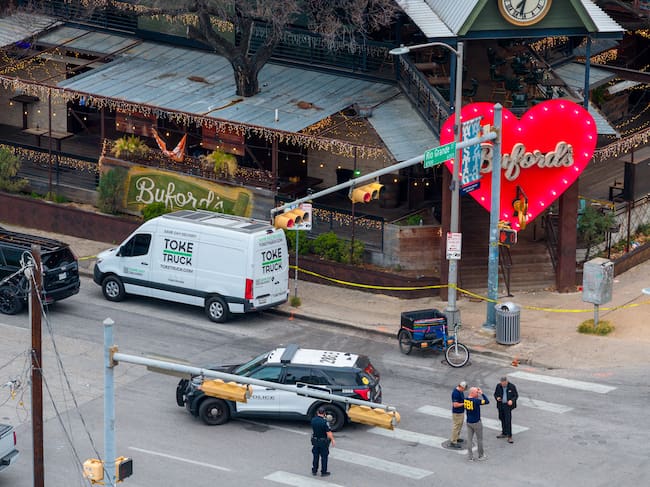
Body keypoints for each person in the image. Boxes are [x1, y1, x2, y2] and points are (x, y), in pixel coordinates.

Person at [464, 386, 489, 461]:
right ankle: (481, 455)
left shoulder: (465, 399)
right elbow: (487, 401)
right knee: (479, 439)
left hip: (469, 422)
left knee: (469, 439)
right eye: (476, 392)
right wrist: (482, 393)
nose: (478, 394)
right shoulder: (476, 401)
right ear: (472, 393)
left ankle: (470, 457)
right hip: (476, 422)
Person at [311, 407, 335, 476]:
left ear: (317, 412)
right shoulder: (325, 422)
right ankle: (323, 472)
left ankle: (314, 470)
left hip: (315, 441)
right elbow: (328, 433)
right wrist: (332, 440)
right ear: (324, 413)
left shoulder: (313, 420)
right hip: (323, 442)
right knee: (324, 457)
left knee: (315, 456)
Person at [494, 376, 518, 444]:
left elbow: (516, 395)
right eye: (502, 383)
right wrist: (497, 398)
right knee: (501, 418)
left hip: (508, 406)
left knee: (508, 420)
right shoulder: (498, 386)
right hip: (501, 405)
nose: (503, 384)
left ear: (507, 381)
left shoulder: (512, 386)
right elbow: (495, 394)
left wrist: (512, 401)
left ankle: (509, 436)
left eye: (504, 383)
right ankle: (504, 433)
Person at [448, 381, 467, 449]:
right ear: (461, 387)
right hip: (457, 413)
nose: (464, 390)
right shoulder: (456, 393)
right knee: (456, 427)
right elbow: (455, 405)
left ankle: (457, 437)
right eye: (464, 389)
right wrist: (464, 404)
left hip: (461, 412)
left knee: (459, 426)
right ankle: (453, 442)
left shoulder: (460, 391)